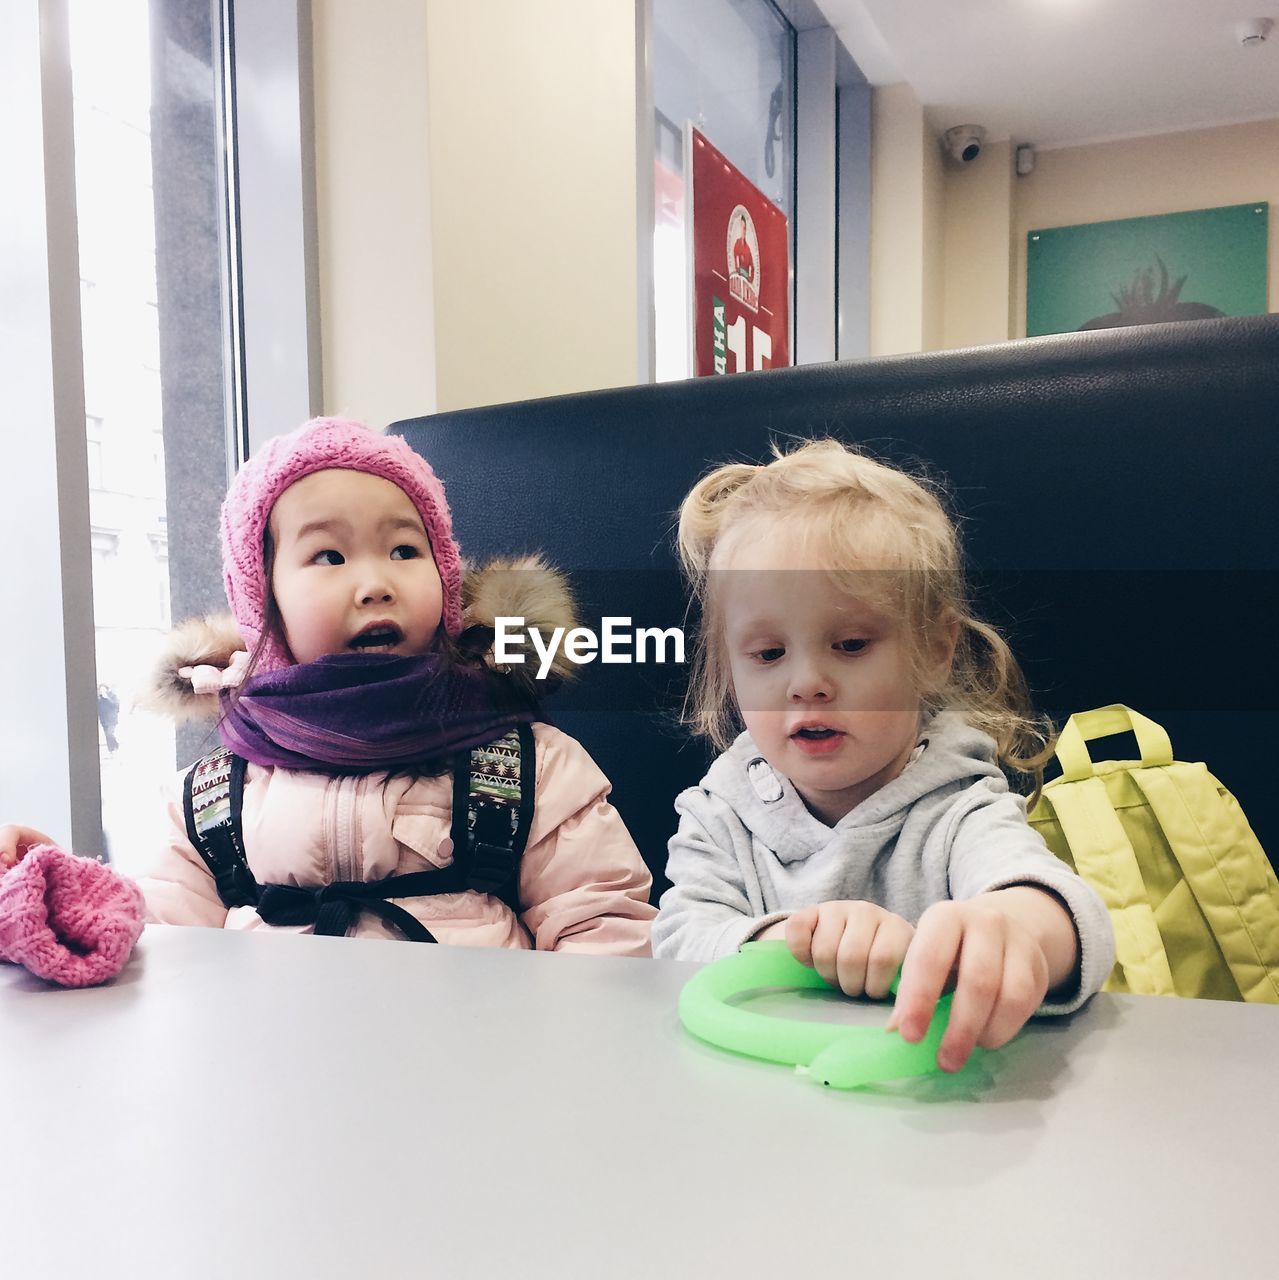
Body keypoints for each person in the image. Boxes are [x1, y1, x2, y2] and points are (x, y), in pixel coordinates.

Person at [2, 418, 654, 953]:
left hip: (479, 1077)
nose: (374, 582)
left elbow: (602, 928)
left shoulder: (527, 765)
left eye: (404, 551)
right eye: (329, 557)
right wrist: (64, 892)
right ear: (267, 601)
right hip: (278, 1085)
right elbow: (158, 945)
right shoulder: (213, 795)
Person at [652, 440, 1115, 1071]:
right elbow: (676, 942)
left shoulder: (958, 810)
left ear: (934, 650)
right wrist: (793, 943)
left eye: (848, 643)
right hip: (757, 1103)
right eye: (767, 654)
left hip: (923, 1107)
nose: (806, 682)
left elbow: (1061, 908)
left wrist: (1014, 931)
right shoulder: (718, 814)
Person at [96, 683, 120, 754]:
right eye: (100, 689)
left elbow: (115, 705)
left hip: (112, 720)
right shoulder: (99, 699)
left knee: (110, 733)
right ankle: (111, 750)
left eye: (103, 689)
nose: (101, 691)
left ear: (107, 689)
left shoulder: (112, 696)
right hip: (104, 720)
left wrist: (107, 698)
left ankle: (116, 746)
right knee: (107, 735)